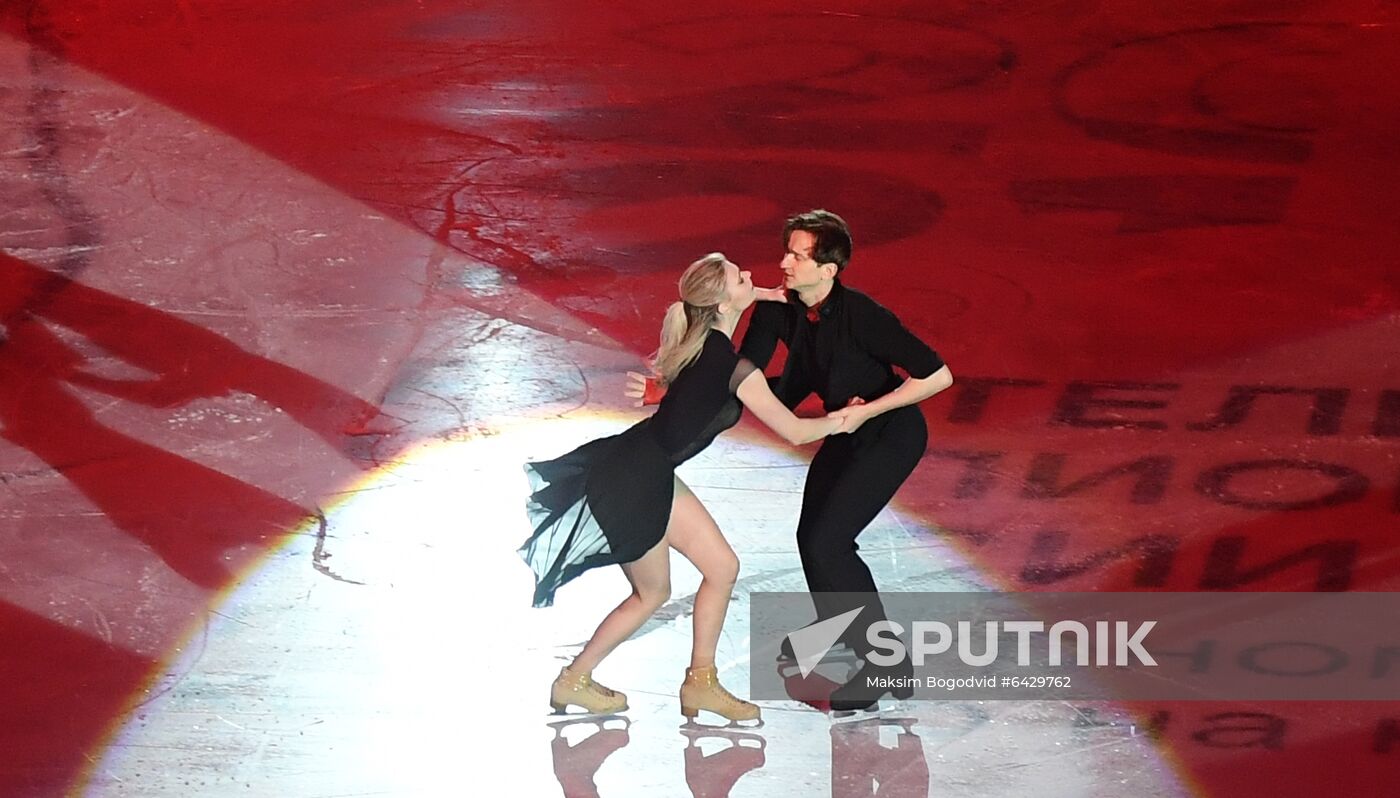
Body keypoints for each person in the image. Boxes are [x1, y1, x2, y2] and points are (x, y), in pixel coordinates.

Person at [631, 211, 954, 712]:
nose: (783, 261)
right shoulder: (778, 312)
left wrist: (870, 409)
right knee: (813, 540)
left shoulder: (863, 315)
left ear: (828, 269)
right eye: (787, 250)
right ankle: (864, 646)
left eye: (797, 255)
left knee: (831, 542)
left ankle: (882, 664)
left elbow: (936, 375)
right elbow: (740, 378)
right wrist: (673, 392)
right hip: (840, 432)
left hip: (890, 434)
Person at [520, 252, 853, 724]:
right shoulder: (735, 368)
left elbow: (733, 303)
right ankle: (628, 681)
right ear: (720, 303)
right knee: (662, 590)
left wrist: (764, 294)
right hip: (639, 477)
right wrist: (857, 414)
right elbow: (798, 433)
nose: (751, 276)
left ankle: (678, 682)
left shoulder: (702, 339)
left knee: (710, 571)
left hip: (638, 465)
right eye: (742, 277)